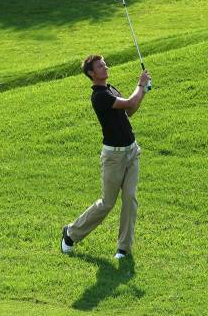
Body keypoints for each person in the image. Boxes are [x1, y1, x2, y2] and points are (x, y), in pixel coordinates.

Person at [62, 54, 150, 259]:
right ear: (92, 73)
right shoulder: (99, 96)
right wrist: (140, 84)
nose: (105, 67)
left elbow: (130, 110)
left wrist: (143, 91)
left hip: (132, 152)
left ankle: (123, 249)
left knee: (130, 198)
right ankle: (71, 233)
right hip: (113, 158)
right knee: (107, 202)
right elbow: (129, 101)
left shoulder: (111, 89)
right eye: (101, 66)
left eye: (105, 64)